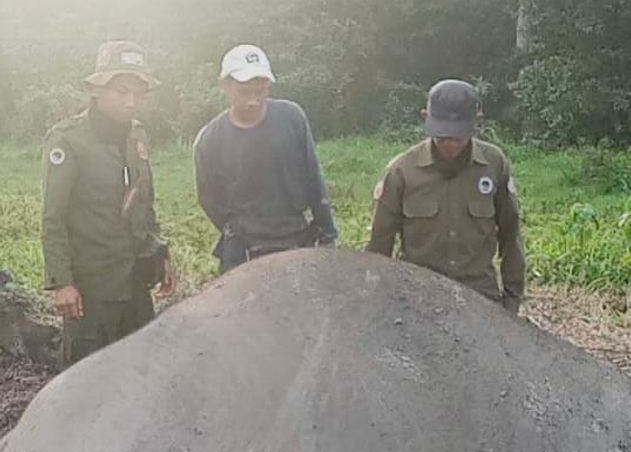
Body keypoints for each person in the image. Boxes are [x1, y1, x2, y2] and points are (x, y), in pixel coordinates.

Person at [41, 40, 173, 367]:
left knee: (141, 371)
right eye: (122, 92)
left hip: (135, 280)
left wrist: (160, 253)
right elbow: (53, 218)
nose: (132, 102)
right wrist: (62, 282)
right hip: (91, 287)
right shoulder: (68, 139)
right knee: (85, 377)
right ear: (98, 89)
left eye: (138, 94)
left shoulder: (137, 136)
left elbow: (145, 202)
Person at [366, 79, 525, 313]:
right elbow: (380, 244)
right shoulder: (402, 171)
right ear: (426, 119)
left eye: (457, 136)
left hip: (479, 299)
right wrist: (378, 301)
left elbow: (511, 235)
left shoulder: (494, 164)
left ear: (476, 123)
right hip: (417, 298)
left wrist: (511, 301)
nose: (449, 143)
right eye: (442, 136)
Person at [193, 44, 337, 273]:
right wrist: (236, 228)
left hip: (294, 233)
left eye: (260, 91)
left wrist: (327, 233)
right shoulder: (210, 139)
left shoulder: (292, 117)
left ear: (268, 86)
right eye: (244, 92)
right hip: (244, 244)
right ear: (225, 86)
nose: (253, 101)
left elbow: (313, 179)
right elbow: (209, 198)